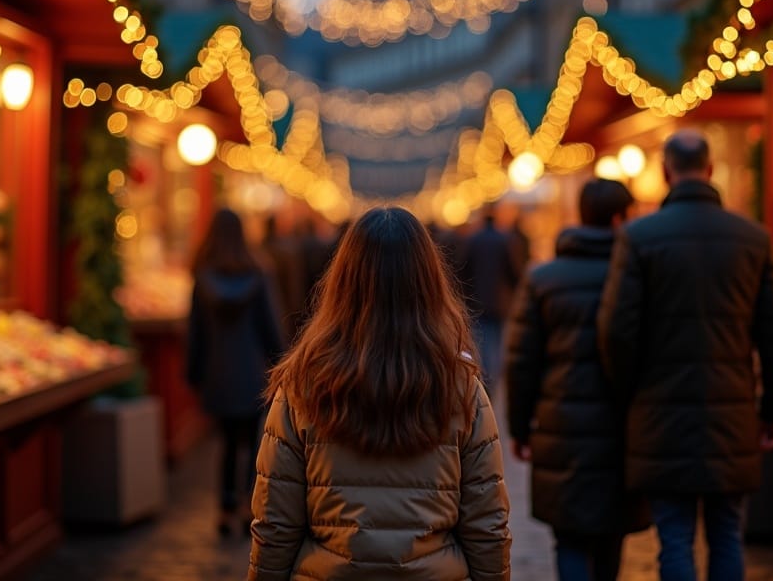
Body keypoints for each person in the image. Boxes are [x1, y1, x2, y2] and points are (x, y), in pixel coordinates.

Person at [248, 206, 512, 580]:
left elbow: (275, 522)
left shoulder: (303, 383)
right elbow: (487, 525)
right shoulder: (461, 387)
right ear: (428, 282)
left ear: (343, 281)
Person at [596, 129, 773, 581]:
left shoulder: (639, 237)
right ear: (709, 170)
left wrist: (631, 394)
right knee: (727, 534)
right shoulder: (753, 238)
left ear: (666, 172)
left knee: (675, 537)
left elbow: (616, 331)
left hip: (660, 415)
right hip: (733, 412)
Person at [506, 178, 649, 581]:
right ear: (622, 218)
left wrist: (520, 427)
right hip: (622, 425)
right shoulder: (639, 276)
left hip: (561, 423)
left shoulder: (544, 278)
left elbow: (521, 361)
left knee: (568, 538)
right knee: (611, 535)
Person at [185, 208, 285, 538]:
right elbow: (270, 327)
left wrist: (195, 373)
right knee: (253, 442)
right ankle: (247, 502)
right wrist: (280, 363)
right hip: (252, 372)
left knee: (226, 443)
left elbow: (196, 332)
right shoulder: (258, 273)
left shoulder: (202, 277)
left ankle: (225, 507)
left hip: (218, 373)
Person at [459, 209, 522, 399]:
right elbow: (512, 272)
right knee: (496, 343)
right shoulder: (504, 240)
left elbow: (463, 271)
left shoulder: (473, 240)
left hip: (477, 301)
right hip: (499, 302)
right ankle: (492, 381)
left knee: (482, 344)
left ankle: (486, 381)